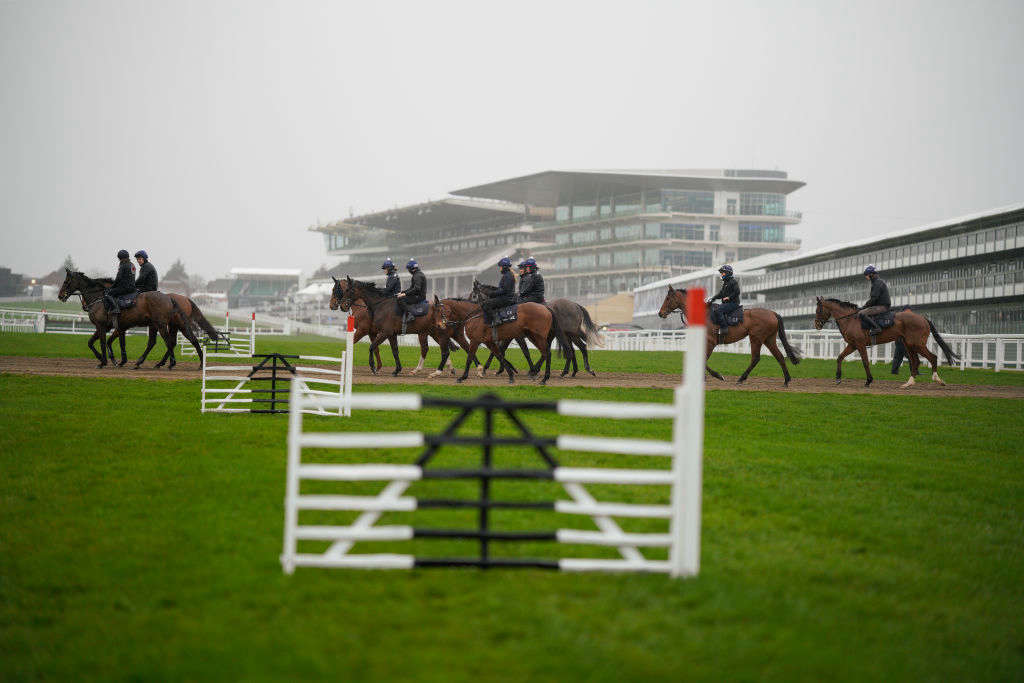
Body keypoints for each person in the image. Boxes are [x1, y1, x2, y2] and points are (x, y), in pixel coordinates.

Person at [104, 249, 136, 332]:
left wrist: (112, 288)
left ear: (120, 258)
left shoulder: (123, 265)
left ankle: (115, 308)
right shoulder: (132, 265)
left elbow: (118, 278)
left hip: (125, 288)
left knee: (108, 294)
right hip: (132, 287)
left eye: (119, 259)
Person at [481, 257, 517, 324]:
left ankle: (493, 321)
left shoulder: (508, 276)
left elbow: (504, 290)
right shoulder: (507, 275)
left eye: (500, 267)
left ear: (504, 267)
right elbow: (501, 289)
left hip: (506, 299)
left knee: (486, 304)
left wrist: (491, 294)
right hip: (505, 297)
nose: (500, 269)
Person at [709, 264, 741, 340]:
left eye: (723, 273)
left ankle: (724, 328)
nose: (721, 274)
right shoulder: (725, 283)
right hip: (727, 303)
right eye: (721, 273)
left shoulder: (733, 282)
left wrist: (729, 297)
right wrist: (712, 298)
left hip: (734, 303)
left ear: (728, 273)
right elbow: (721, 294)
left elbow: (737, 292)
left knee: (718, 310)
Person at [858, 264, 891, 336]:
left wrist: (864, 306)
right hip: (881, 305)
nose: (866, 277)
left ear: (871, 274)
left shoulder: (877, 283)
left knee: (861, 313)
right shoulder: (877, 282)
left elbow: (874, 299)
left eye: (866, 275)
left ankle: (877, 328)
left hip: (882, 306)